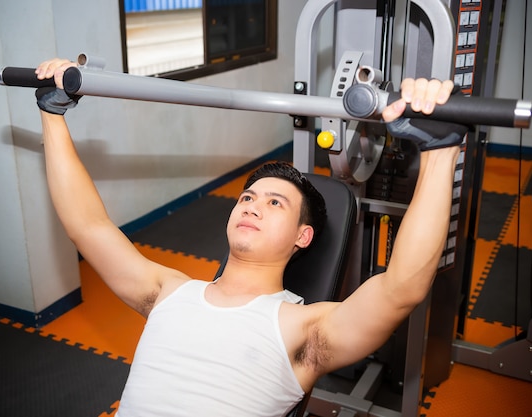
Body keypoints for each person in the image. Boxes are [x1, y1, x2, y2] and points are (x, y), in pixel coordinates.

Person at [34, 58, 465, 416]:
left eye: (275, 203)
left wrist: (440, 151)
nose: (253, 204)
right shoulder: (167, 292)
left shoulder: (303, 331)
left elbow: (401, 289)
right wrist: (52, 114)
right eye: (247, 197)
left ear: (303, 236)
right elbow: (88, 226)